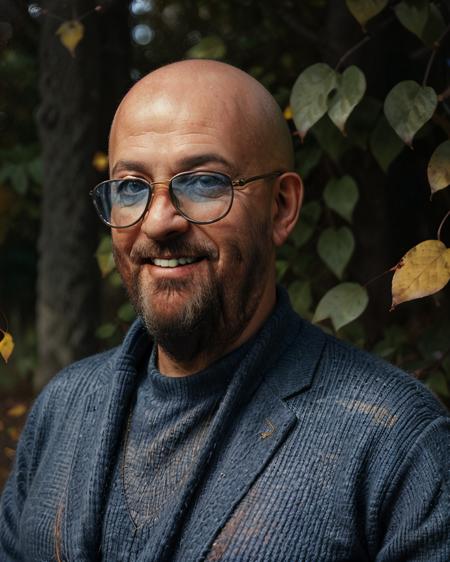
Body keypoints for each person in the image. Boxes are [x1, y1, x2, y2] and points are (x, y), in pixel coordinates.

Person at [1, 60, 449, 562]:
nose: (158, 222)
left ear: (281, 207)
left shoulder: (395, 441)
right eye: (131, 186)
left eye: (203, 182)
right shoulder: (61, 409)